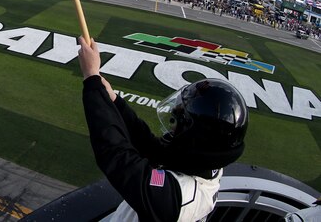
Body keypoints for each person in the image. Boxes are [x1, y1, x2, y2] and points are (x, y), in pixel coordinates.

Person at [78, 37, 249, 222]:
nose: (172, 128)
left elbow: (118, 157)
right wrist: (113, 99)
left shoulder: (180, 198)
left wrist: (91, 79)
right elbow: (152, 148)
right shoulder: (205, 162)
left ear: (196, 139)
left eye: (179, 124)